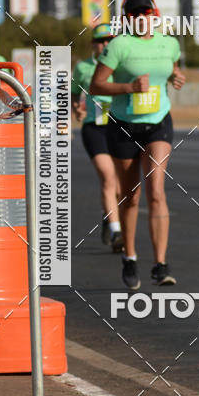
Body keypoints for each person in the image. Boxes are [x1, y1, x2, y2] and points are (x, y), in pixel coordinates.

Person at [89, 0, 185, 290]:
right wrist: (129, 87)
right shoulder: (119, 45)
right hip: (123, 126)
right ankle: (129, 257)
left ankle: (160, 264)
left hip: (158, 123)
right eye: (135, 14)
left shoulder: (169, 43)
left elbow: (173, 67)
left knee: (156, 190)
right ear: (127, 19)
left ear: (154, 15)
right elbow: (96, 84)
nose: (141, 18)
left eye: (146, 12)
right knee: (130, 197)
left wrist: (176, 77)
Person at [71, 24, 123, 252]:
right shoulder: (83, 68)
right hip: (94, 128)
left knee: (121, 187)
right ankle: (116, 230)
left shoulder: (120, 65)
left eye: (109, 41)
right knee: (108, 176)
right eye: (100, 41)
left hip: (119, 126)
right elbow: (74, 94)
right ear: (93, 44)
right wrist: (77, 109)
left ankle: (109, 216)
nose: (104, 45)